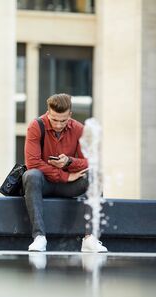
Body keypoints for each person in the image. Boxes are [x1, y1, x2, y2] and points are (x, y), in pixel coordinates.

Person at [23, 93, 107, 252]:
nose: (58, 124)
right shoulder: (36, 126)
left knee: (94, 176)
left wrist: (69, 161)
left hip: (69, 187)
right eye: (54, 119)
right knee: (31, 175)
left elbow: (91, 161)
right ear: (48, 113)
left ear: (70, 115)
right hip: (45, 184)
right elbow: (32, 163)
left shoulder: (79, 129)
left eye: (63, 120)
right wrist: (66, 175)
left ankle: (90, 239)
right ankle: (39, 237)